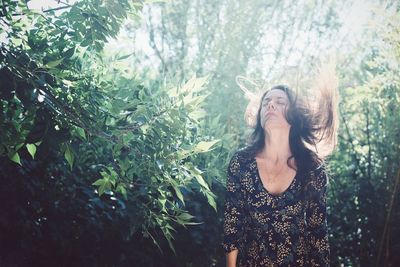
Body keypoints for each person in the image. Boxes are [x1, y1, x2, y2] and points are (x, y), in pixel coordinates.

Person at [222, 79, 338, 267]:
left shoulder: (312, 167)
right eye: (266, 102)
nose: (271, 105)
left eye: (280, 102)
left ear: (294, 116)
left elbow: (318, 235)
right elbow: (232, 224)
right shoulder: (242, 162)